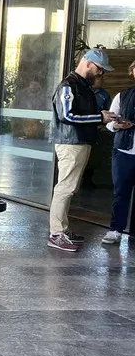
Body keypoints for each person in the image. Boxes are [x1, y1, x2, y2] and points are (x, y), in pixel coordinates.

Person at [48, 48, 116, 252]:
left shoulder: (81, 86)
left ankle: (61, 230)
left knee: (70, 187)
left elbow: (77, 116)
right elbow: (67, 116)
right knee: (65, 187)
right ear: (87, 62)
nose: (100, 73)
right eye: (99, 69)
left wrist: (102, 118)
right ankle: (56, 233)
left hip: (78, 142)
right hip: (71, 143)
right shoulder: (69, 86)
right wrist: (99, 118)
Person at [102, 59, 135, 244]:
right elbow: (108, 124)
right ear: (132, 72)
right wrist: (116, 125)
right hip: (124, 151)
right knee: (121, 192)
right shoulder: (122, 96)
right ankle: (115, 230)